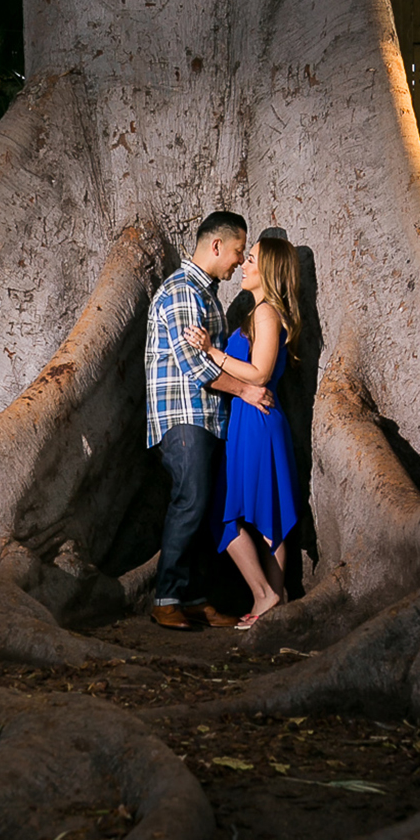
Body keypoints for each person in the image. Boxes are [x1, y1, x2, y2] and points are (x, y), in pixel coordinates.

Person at [142, 211, 271, 630]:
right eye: (237, 252)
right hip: (184, 417)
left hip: (208, 417)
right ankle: (165, 597)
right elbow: (195, 366)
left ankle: (193, 597)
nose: (238, 263)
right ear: (216, 246)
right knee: (191, 499)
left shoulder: (206, 294)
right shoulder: (182, 292)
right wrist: (247, 390)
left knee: (206, 505)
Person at [195, 231, 302, 627]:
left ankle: (268, 597)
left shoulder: (267, 313)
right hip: (246, 420)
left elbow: (259, 373)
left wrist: (212, 352)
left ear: (269, 270)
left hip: (258, 422)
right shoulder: (257, 312)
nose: (244, 264)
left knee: (263, 512)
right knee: (234, 510)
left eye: (252, 259)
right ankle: (271, 595)